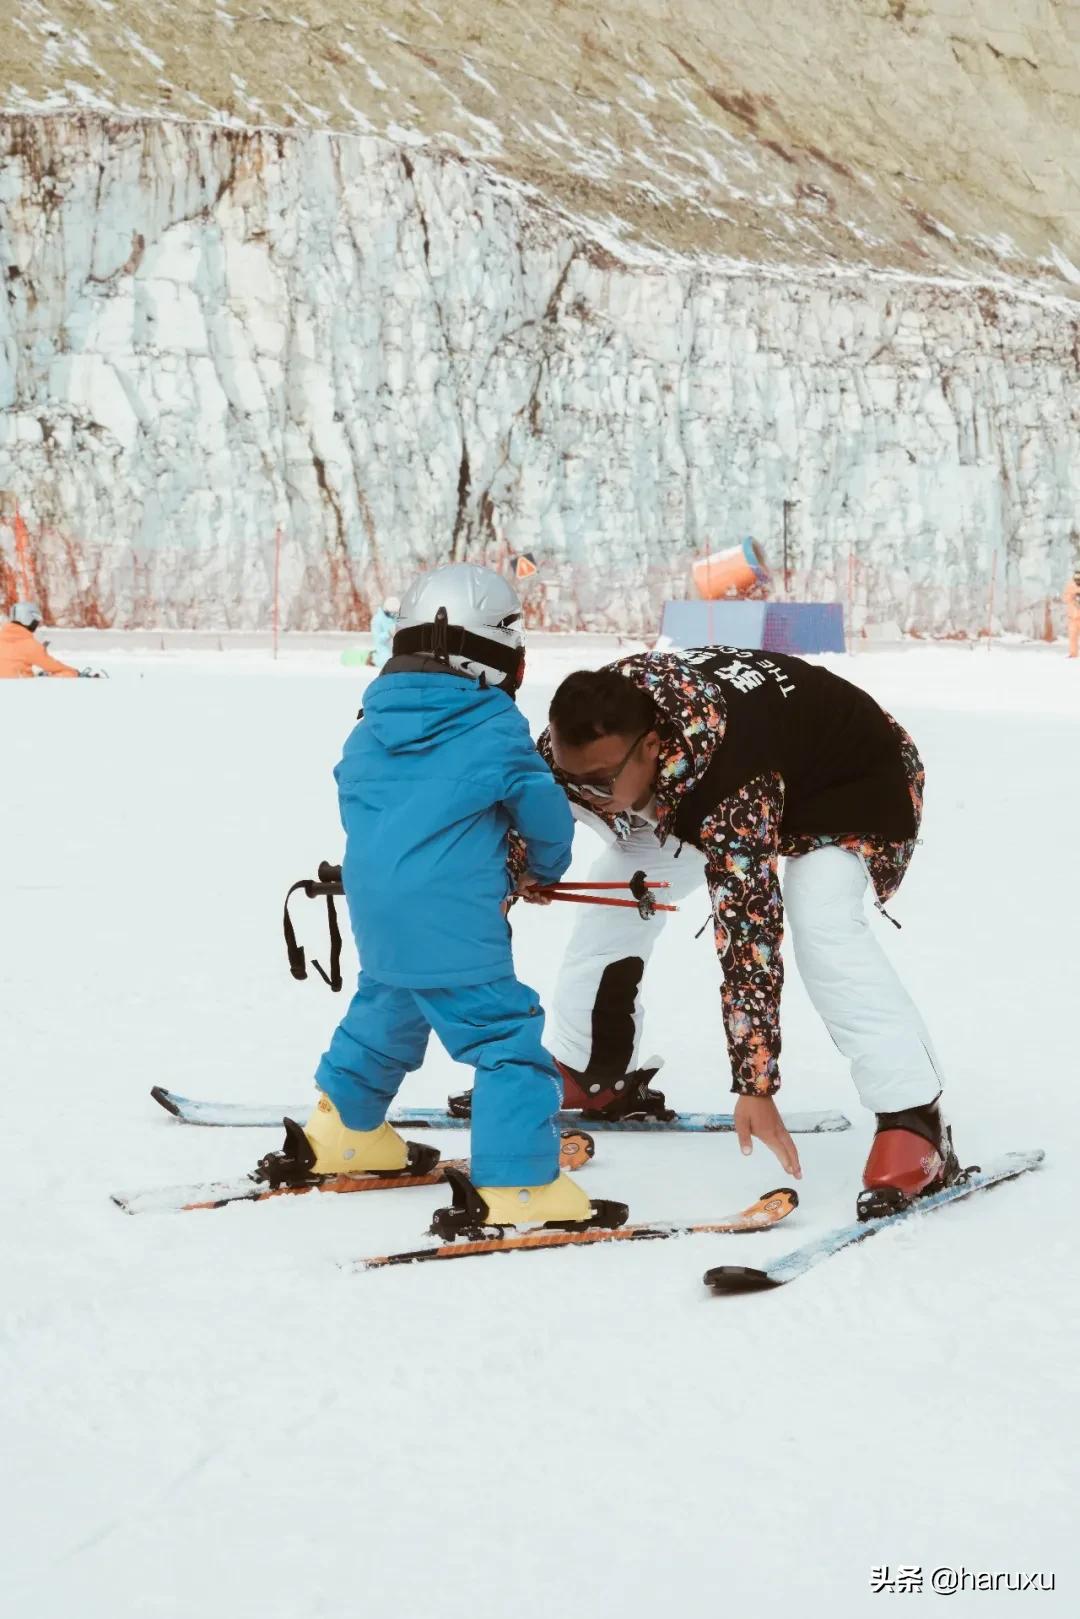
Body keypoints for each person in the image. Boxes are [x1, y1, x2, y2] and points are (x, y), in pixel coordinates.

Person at [531, 645, 958, 1218]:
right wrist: (516, 870)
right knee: (617, 887)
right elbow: (534, 796)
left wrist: (755, 1084)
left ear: (651, 749)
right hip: (719, 779)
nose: (589, 798)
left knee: (821, 920)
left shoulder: (732, 783)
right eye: (571, 779)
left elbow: (748, 938)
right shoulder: (591, 730)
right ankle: (594, 1068)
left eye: (602, 783)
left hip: (850, 783)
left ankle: (916, 1121)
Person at [266, 564, 627, 1236]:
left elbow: (352, 790)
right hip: (454, 917)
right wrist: (542, 868)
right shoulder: (493, 725)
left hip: (375, 904)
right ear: (486, 649)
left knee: (390, 1005)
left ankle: (343, 1129)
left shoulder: (368, 721)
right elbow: (543, 810)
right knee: (503, 1037)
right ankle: (519, 1184)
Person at [0, 603, 80, 679]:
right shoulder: (30, 645)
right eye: (36, 619)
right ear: (27, 618)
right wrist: (74, 672)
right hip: (21, 689)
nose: (37, 623)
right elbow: (55, 667)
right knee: (68, 673)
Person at [369, 595, 400, 669]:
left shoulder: (395, 617)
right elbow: (377, 639)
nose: (393, 615)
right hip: (383, 647)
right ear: (386, 610)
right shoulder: (377, 620)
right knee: (386, 662)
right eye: (391, 613)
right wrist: (388, 633)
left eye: (395, 613)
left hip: (396, 646)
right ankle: (372, 658)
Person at [1064, 569, 1080, 659]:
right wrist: (1073, 595)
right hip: (1073, 617)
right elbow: (1066, 598)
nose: (1077, 580)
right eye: (1076, 578)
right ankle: (1073, 654)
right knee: (1072, 636)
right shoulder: (1070, 586)